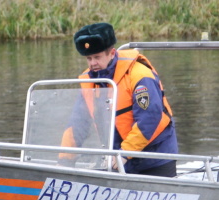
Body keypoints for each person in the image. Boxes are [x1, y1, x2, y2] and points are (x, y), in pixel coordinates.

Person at [60, 22, 178, 177]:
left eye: (97, 57)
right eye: (88, 58)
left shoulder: (140, 75)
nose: (92, 63)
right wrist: (64, 160)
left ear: (112, 53)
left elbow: (149, 119)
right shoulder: (88, 81)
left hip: (154, 158)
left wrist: (125, 153)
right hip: (119, 159)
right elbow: (77, 125)